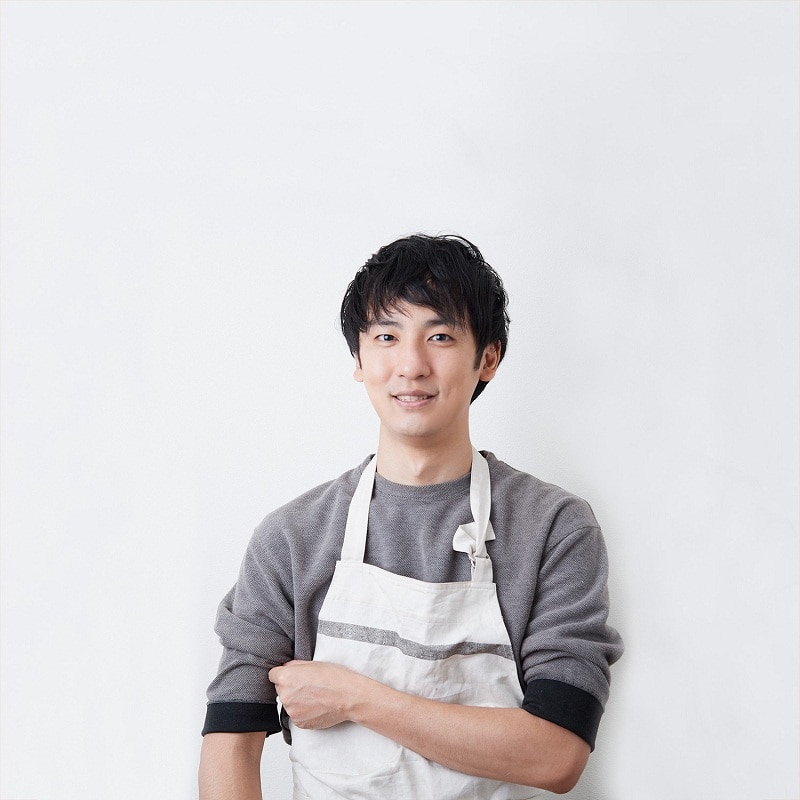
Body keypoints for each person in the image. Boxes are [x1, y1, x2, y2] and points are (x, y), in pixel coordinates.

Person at [198, 234, 623, 799]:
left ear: (487, 358)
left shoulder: (553, 528)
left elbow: (557, 754)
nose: (411, 365)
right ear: (359, 359)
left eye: (440, 336)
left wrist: (357, 698)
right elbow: (231, 740)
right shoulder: (292, 538)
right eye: (386, 337)